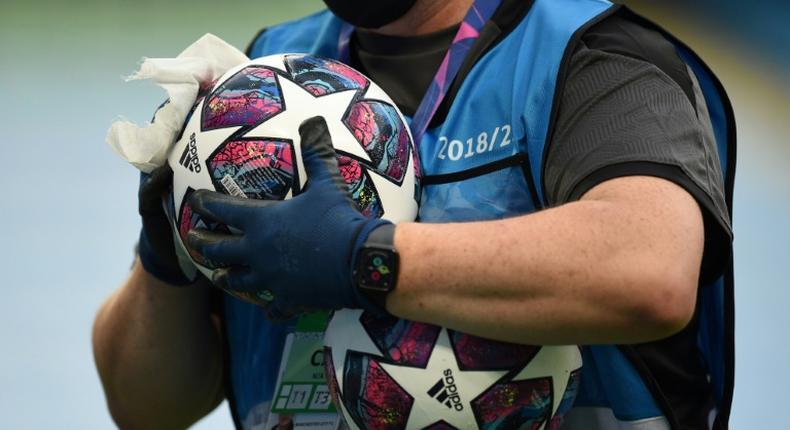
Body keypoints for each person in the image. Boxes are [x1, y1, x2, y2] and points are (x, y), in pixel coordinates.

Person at [93, 0, 736, 429]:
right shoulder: (263, 82)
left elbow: (649, 274)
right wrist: (165, 259)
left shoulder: (588, 57)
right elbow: (144, 407)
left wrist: (367, 259)